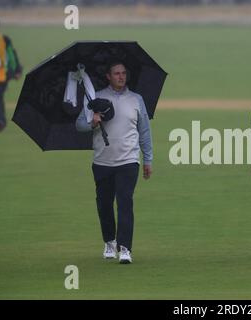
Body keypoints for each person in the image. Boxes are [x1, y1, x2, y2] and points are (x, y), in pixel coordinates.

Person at [76, 61, 153, 264]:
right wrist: (92, 122)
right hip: (102, 161)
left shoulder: (137, 100)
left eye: (123, 73)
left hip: (128, 161)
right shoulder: (96, 98)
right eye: (116, 73)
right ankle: (109, 242)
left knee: (125, 202)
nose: (121, 76)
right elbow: (79, 125)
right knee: (104, 204)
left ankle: (125, 248)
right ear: (108, 76)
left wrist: (148, 159)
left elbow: (144, 131)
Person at [0, 19, 23, 132]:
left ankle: (1, 121)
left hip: (2, 76)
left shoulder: (4, 40)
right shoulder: (4, 40)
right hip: (3, 75)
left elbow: (12, 56)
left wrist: (16, 70)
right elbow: (12, 56)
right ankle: (1, 121)